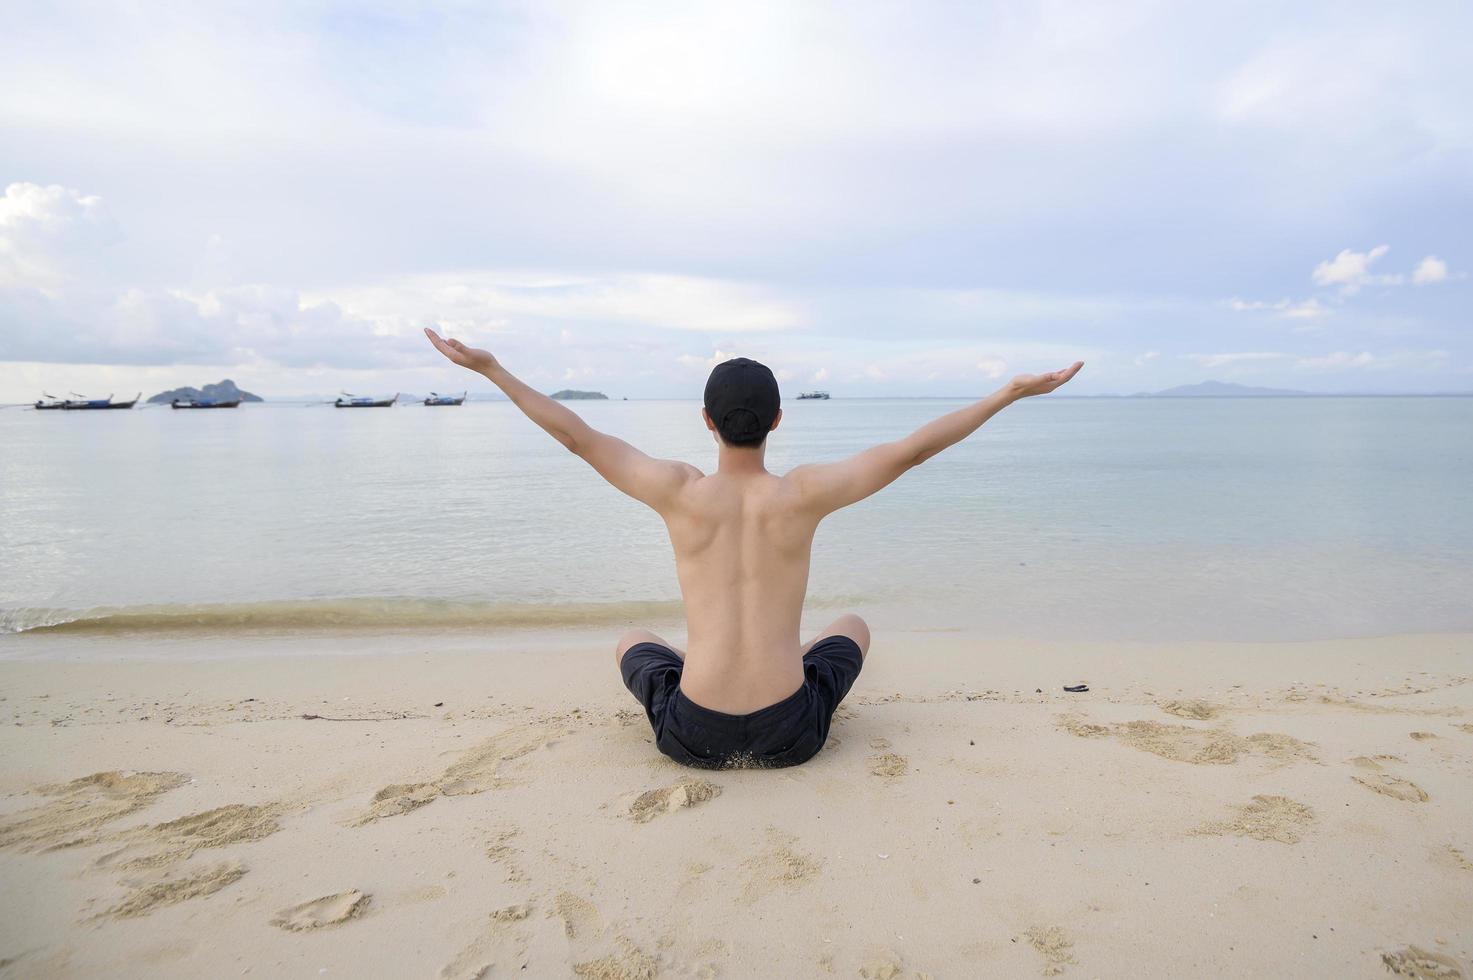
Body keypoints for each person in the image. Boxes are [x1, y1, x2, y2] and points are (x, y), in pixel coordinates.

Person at [425, 327, 1082, 769]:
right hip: (790, 735)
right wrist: (1008, 392)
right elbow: (912, 450)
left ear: (706, 421)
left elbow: (576, 435)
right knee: (850, 625)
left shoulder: (676, 490)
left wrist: (491, 369)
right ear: (775, 420)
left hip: (692, 736)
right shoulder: (802, 494)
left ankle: (715, 668)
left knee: (632, 640)